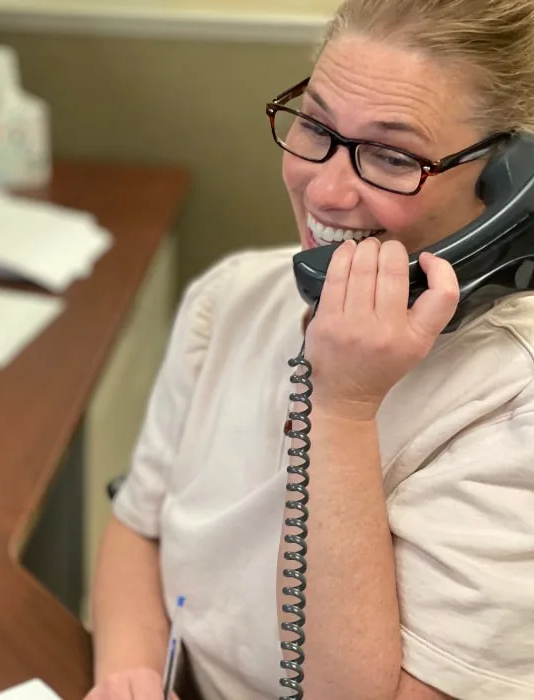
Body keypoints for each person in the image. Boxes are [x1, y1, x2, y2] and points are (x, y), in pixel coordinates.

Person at [86, 0, 534, 699]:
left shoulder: (512, 407)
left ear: (511, 188)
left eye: (392, 156)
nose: (324, 189)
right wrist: (128, 676)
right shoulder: (230, 300)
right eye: (317, 127)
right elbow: (138, 527)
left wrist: (345, 408)